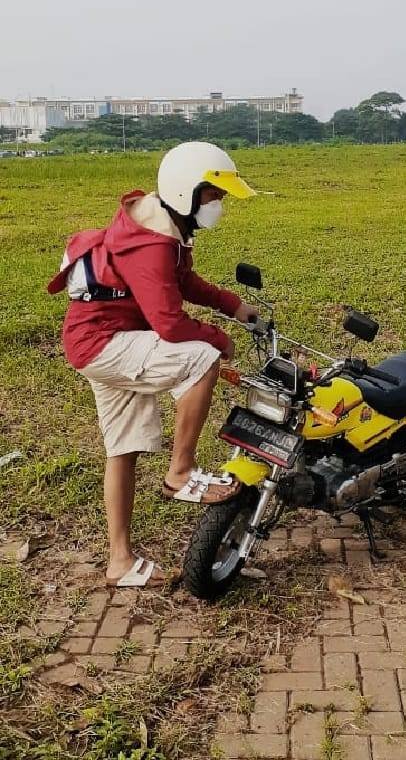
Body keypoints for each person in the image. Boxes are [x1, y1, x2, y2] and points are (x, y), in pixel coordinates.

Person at [48, 142, 259, 588]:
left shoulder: (162, 227)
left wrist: (232, 305)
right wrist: (219, 338)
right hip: (106, 344)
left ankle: (120, 562)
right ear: (185, 191)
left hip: (99, 342)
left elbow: (183, 281)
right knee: (203, 357)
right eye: (213, 195)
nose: (219, 205)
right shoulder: (152, 244)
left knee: (122, 449)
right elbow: (169, 324)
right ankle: (181, 471)